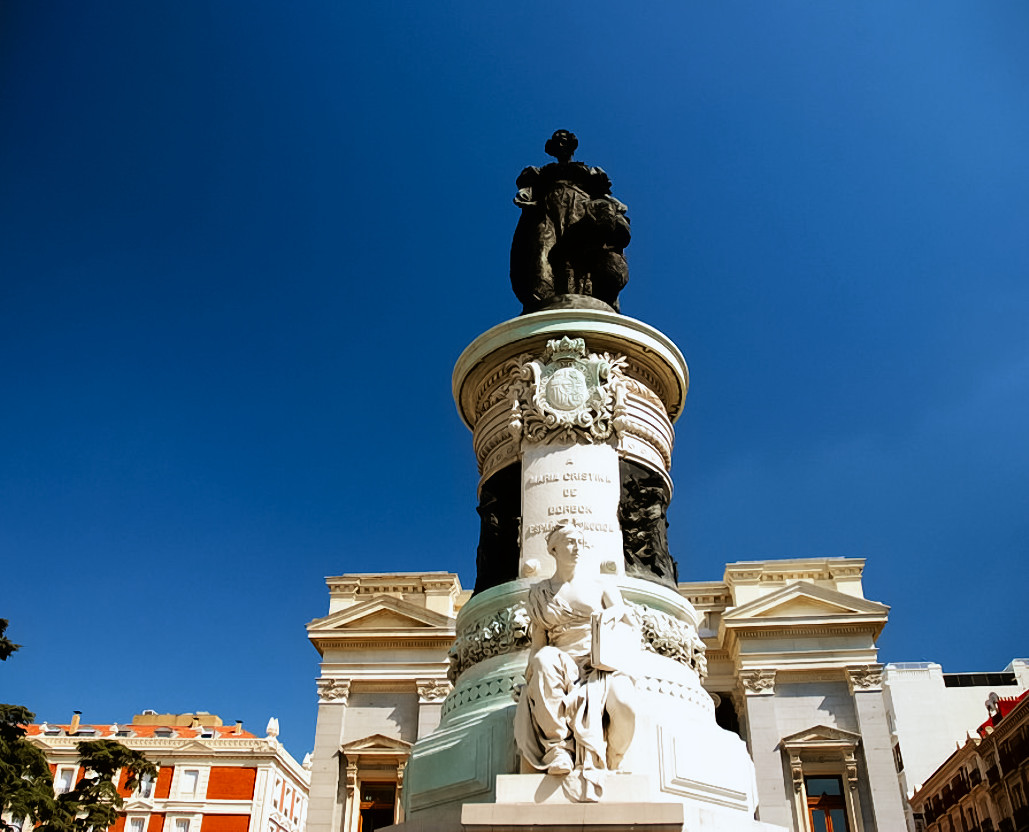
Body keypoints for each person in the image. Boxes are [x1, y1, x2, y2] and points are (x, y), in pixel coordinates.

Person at [514, 520, 637, 798]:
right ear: (553, 549)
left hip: (602, 663)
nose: (576, 548)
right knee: (543, 660)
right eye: (569, 542)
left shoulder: (602, 586)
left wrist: (613, 617)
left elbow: (628, 623)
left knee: (624, 705)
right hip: (562, 660)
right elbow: (539, 644)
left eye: (579, 542)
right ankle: (557, 747)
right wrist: (529, 679)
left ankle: (613, 757)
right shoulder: (541, 593)